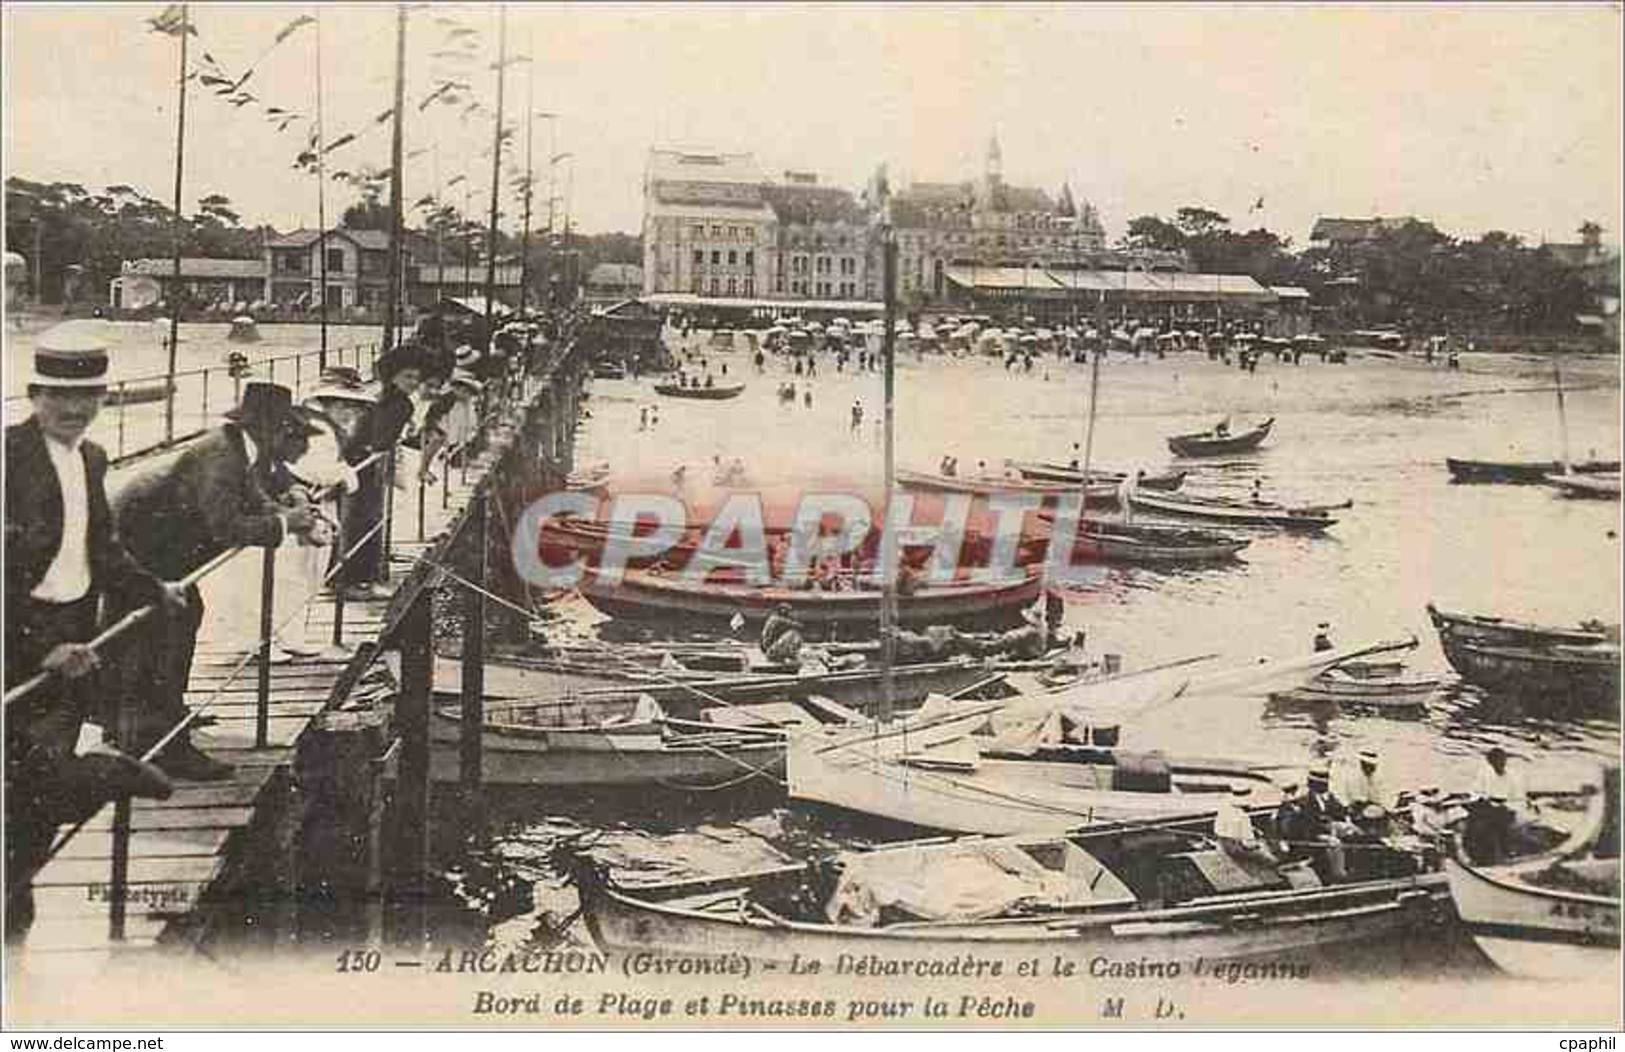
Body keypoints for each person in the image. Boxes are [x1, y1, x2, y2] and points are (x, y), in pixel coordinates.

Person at [4, 322, 182, 943]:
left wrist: (151, 588)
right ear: (34, 395)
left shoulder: (92, 456)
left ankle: (15, 908)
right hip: (17, 639)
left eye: (89, 398)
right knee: (20, 776)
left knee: (34, 777)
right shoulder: (8, 459)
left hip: (73, 632)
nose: (75, 410)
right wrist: (37, 648)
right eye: (60, 396)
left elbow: (99, 543)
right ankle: (96, 778)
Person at [109, 382, 321, 784]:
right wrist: (285, 523)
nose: (287, 440)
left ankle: (148, 720)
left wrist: (284, 511)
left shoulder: (239, 448)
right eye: (285, 431)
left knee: (176, 624)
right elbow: (225, 526)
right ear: (270, 429)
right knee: (161, 633)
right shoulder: (223, 456)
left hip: (157, 545)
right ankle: (158, 743)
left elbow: (253, 496)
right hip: (141, 548)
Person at [337, 341, 425, 597]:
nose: (413, 383)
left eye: (416, 379)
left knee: (354, 520)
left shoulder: (379, 395)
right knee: (366, 520)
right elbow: (383, 439)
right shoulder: (401, 405)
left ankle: (350, 577)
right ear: (393, 375)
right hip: (369, 463)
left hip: (356, 459)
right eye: (407, 376)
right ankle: (358, 580)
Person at [1213, 785, 1273, 865]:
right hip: (1237, 851)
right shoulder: (1243, 816)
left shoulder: (1223, 808)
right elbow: (1248, 844)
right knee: (1271, 858)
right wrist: (1259, 844)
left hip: (1223, 846)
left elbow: (1217, 830)